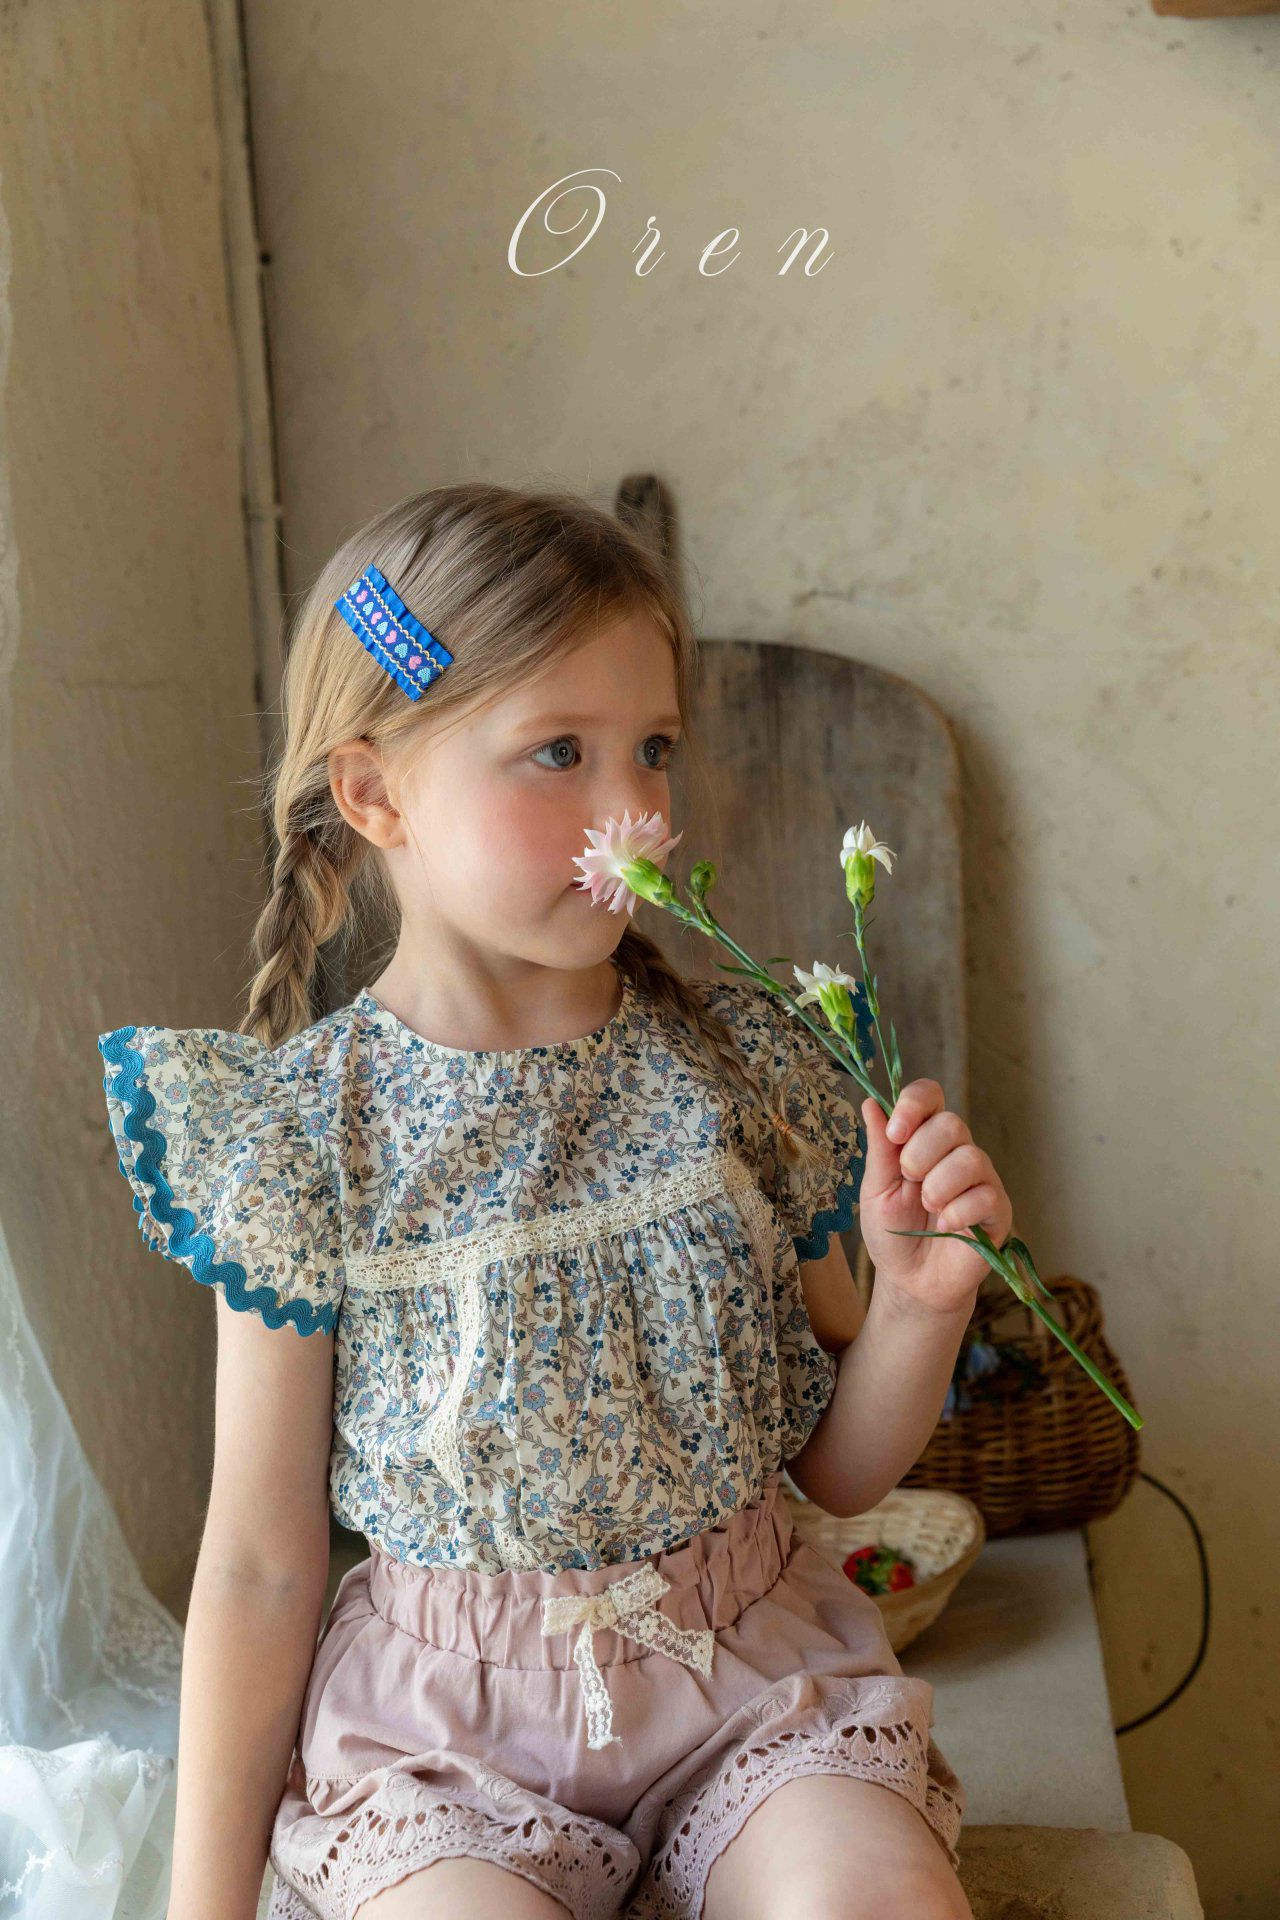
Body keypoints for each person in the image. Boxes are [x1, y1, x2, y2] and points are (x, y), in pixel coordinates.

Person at [97, 482, 1006, 1920]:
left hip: (748, 1692)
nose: (634, 810)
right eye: (559, 752)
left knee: (875, 1903)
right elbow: (264, 1568)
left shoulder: (735, 1069)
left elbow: (838, 1476)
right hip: (444, 1748)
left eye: (654, 748)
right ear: (376, 793)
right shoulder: (304, 1141)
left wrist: (920, 1305)